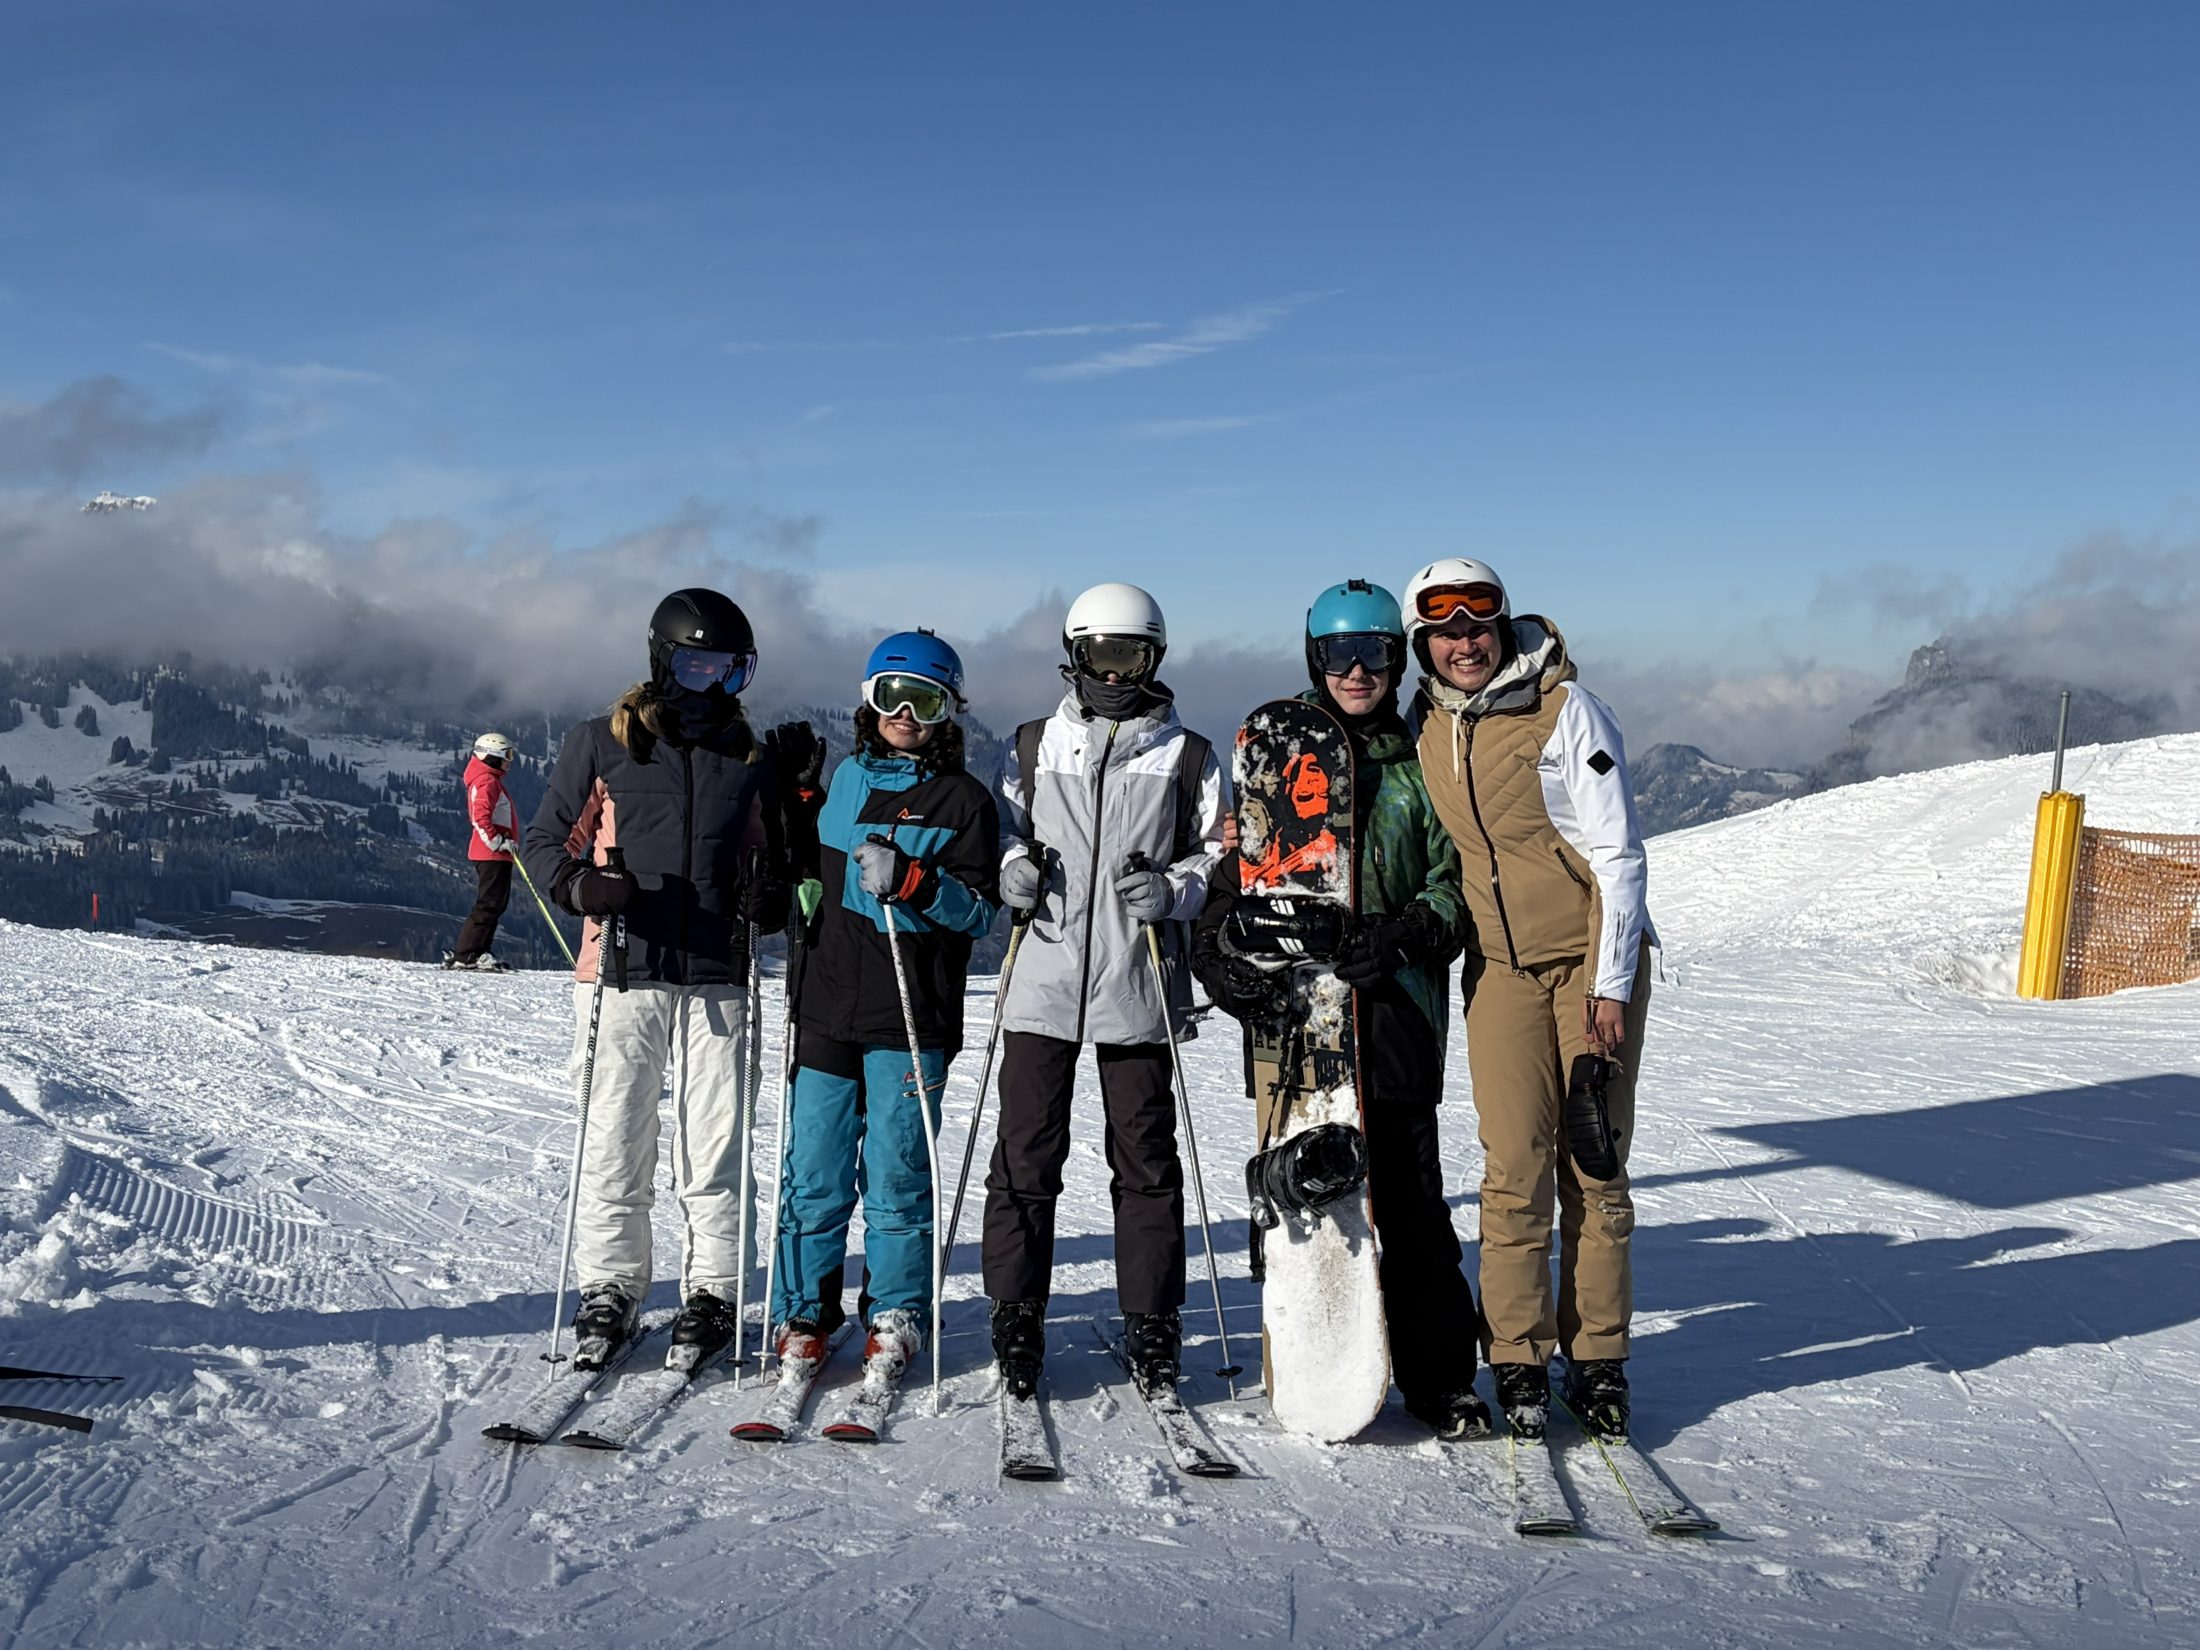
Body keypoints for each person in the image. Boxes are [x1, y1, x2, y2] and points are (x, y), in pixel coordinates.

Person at [1193, 580, 1492, 1438]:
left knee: (1409, 1201)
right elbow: (1236, 884)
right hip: (1300, 1027)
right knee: (1303, 1192)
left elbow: (1456, 887)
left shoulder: (1422, 762)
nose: (1357, 672)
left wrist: (1399, 936)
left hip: (1393, 1011)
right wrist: (1219, 957)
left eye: (1376, 655)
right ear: (1313, 659)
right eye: (1338, 656)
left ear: (1399, 661)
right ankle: (1312, 1352)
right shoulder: (1279, 759)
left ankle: (1439, 1378)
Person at [1403, 557, 1654, 1441]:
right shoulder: (1427, 722)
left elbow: (1620, 856)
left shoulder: (1564, 709)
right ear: (1421, 643)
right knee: (1512, 1168)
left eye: (1478, 623)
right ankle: (1516, 1356)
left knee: (1592, 1160)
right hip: (1500, 972)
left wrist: (1612, 987)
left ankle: (1599, 1362)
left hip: (1589, 963)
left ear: (1503, 625)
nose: (1463, 641)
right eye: (1444, 629)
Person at [521, 587, 790, 1368]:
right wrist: (581, 888)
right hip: (621, 969)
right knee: (615, 1136)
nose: (715, 687)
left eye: (732, 672)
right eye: (701, 666)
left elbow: (769, 859)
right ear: (665, 660)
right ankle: (611, 1285)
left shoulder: (748, 757)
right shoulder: (600, 745)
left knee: (717, 1144)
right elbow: (543, 842)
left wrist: (766, 896)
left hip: (717, 971)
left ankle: (713, 1289)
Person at [985, 582, 1229, 1399]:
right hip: (1044, 978)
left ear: (1154, 657)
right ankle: (1017, 1316)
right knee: (1026, 1156)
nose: (1115, 675)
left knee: (1146, 1161)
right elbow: (1003, 836)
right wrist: (1011, 873)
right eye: (1101, 655)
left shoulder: (1188, 755)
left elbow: (1213, 855)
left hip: (1138, 978)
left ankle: (1153, 1324)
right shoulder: (1029, 746)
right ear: (1075, 652)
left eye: (1131, 656)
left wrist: (1177, 891)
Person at [771, 630, 1000, 1387]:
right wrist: (794, 808)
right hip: (826, 1009)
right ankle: (804, 1309)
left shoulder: (963, 800)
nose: (905, 712)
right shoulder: (842, 780)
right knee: (814, 1173)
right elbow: (811, 867)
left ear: (949, 711)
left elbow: (976, 914)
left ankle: (896, 1310)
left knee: (899, 1178)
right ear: (866, 704)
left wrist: (912, 883)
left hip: (910, 1018)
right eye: (889, 696)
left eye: (924, 700)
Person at [447, 732, 518, 971]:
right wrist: (497, 842)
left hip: (498, 853)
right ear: (492, 757)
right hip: (491, 854)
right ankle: (467, 953)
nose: (510, 761)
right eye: (507, 755)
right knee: (488, 903)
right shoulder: (485, 781)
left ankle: (479, 951)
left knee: (496, 903)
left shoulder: (490, 779)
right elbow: (479, 817)